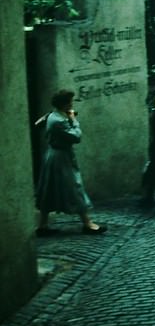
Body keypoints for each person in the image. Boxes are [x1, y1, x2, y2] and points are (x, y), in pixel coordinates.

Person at [35, 89, 106, 236]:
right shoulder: (58, 120)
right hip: (60, 157)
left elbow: (39, 124)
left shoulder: (54, 115)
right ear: (64, 104)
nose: (72, 104)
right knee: (75, 187)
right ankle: (88, 224)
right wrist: (74, 120)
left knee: (50, 189)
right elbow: (76, 137)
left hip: (56, 155)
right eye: (70, 102)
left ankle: (43, 226)